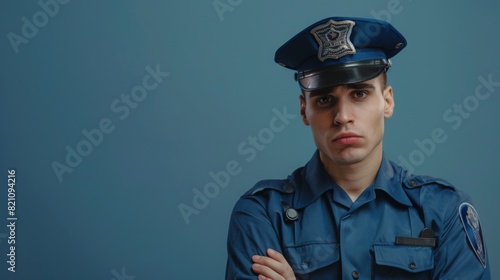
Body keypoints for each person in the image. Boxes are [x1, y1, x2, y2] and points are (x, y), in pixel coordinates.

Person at [225, 16, 490, 280]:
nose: (342, 116)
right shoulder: (262, 213)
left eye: (359, 94)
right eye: (325, 99)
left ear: (387, 102)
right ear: (304, 110)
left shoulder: (443, 211)